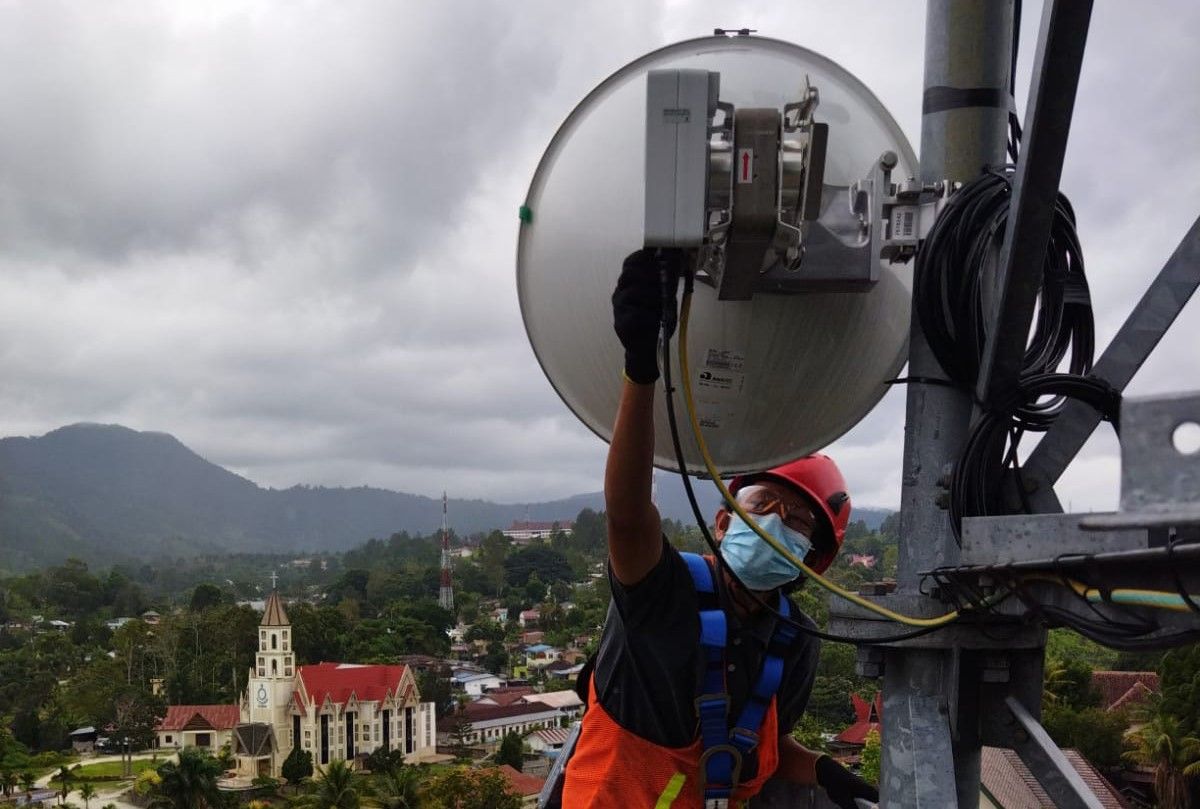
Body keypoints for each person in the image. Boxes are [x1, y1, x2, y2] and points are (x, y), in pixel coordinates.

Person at [558, 249, 879, 808]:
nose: (778, 522)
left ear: (815, 558)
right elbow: (629, 514)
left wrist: (827, 771)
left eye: (800, 520)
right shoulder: (661, 590)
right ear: (724, 519)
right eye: (764, 505)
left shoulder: (793, 641)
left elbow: (765, 743)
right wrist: (640, 367)